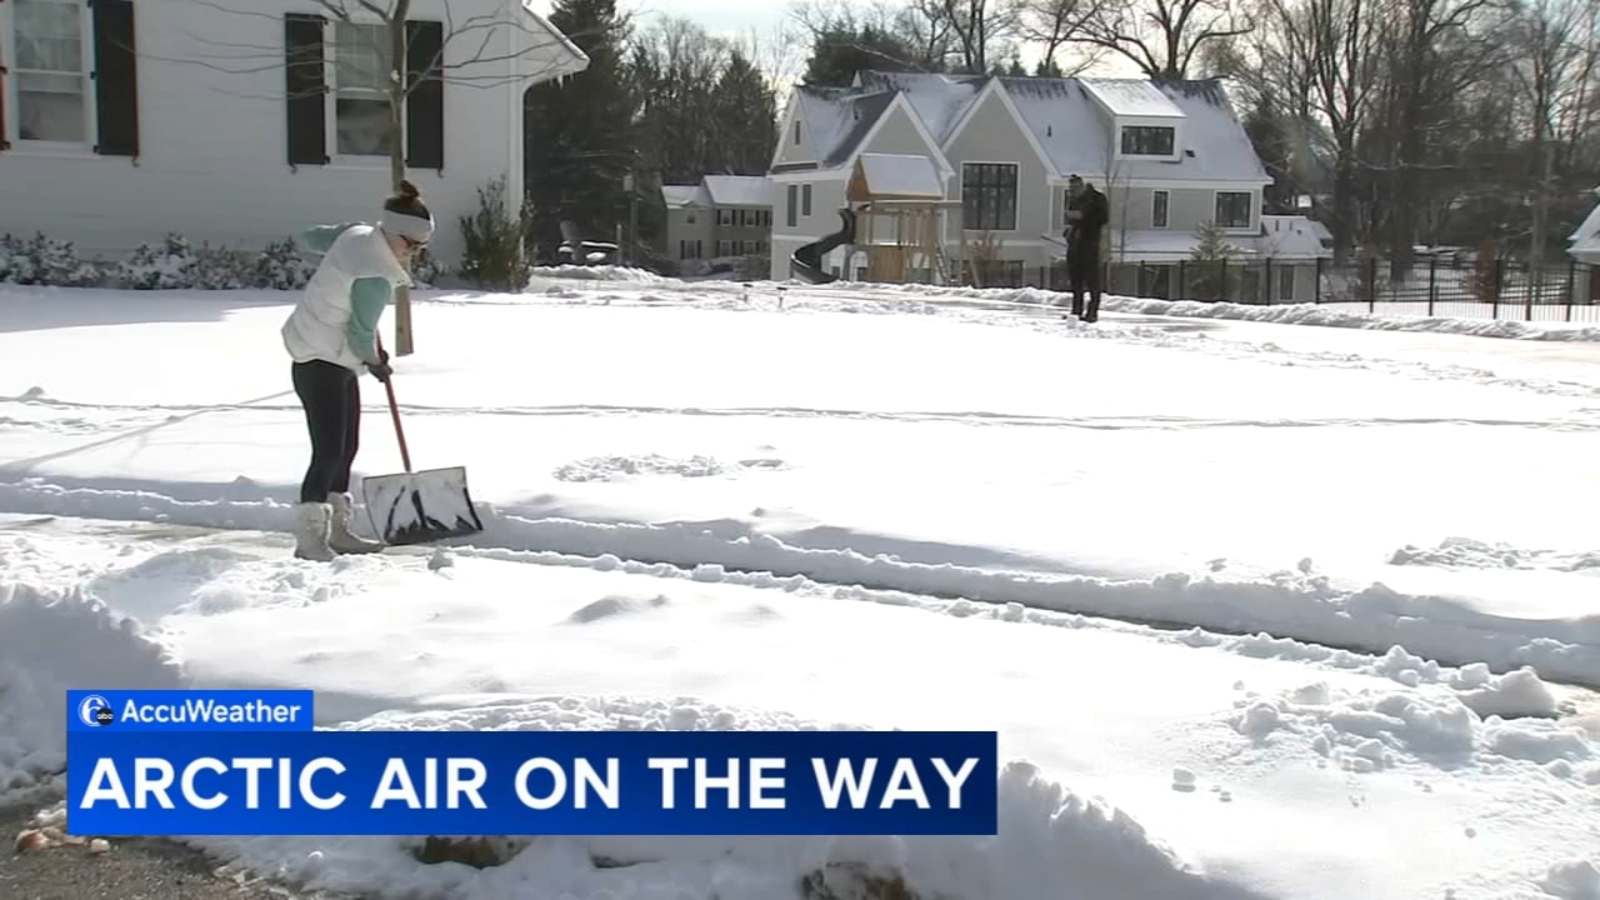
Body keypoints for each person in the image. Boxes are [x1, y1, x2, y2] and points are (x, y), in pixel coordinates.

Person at [280, 180, 434, 561]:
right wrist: (376, 361)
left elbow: (311, 238)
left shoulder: (355, 234)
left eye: (419, 247)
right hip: (321, 361)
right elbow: (361, 334)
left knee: (346, 447)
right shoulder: (375, 274)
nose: (411, 253)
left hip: (328, 355)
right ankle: (310, 539)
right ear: (392, 232)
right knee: (328, 451)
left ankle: (338, 531)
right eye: (410, 244)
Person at [1062, 174, 1109, 322]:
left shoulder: (1096, 198)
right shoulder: (1073, 200)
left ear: (1082, 186)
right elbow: (1071, 220)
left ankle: (1092, 312)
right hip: (1074, 242)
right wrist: (1069, 229)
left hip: (1090, 242)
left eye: (1074, 188)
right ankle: (1076, 311)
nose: (1072, 192)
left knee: (1092, 279)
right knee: (1076, 280)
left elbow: (1103, 219)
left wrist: (1083, 217)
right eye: (1070, 189)